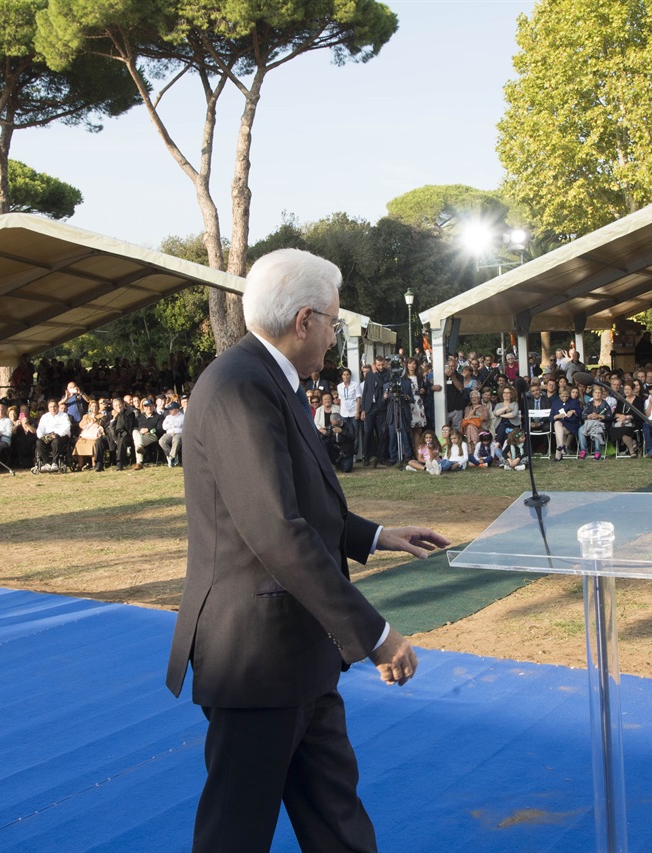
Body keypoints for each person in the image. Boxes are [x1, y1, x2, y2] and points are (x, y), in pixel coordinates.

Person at [165, 249, 449, 853]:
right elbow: (276, 529)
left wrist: (374, 535)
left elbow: (299, 503)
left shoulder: (269, 379)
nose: (334, 337)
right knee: (234, 837)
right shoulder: (240, 386)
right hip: (257, 659)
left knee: (338, 826)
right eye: (334, 323)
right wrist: (375, 635)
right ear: (304, 321)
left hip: (298, 654)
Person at [160, 401, 185, 467]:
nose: (170, 411)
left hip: (178, 433)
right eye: (169, 409)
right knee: (162, 441)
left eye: (171, 409)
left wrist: (171, 425)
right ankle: (173, 455)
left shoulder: (183, 417)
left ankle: (171, 457)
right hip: (169, 433)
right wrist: (174, 425)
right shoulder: (168, 417)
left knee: (176, 440)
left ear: (177, 409)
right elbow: (164, 427)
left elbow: (182, 426)